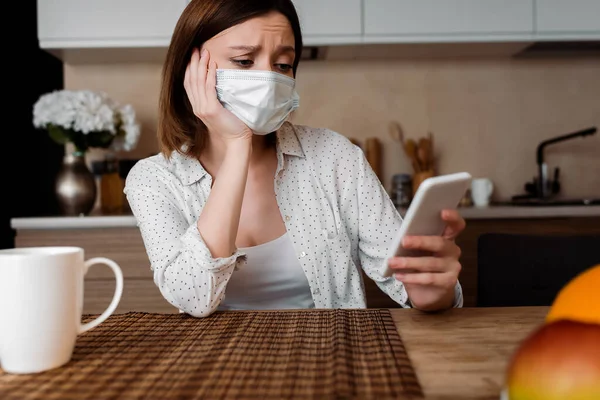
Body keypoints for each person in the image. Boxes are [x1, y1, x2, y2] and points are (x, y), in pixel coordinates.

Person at [124, 0, 466, 318]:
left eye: (283, 64)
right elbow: (193, 297)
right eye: (244, 61)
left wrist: (432, 290)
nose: (268, 79)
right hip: (217, 373)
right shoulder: (154, 178)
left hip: (328, 362)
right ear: (191, 68)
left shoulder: (334, 157)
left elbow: (410, 284)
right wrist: (238, 143)